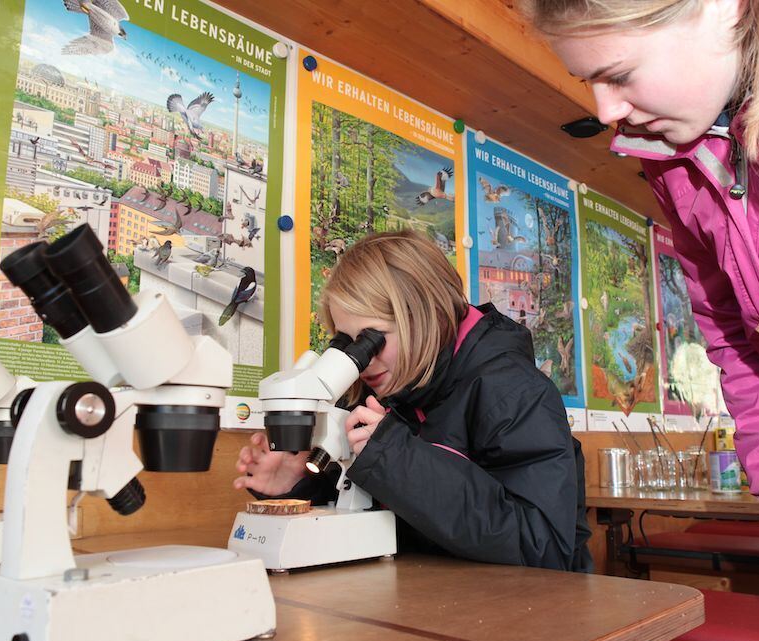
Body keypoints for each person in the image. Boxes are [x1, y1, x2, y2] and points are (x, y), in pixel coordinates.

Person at [525, 0, 759, 641]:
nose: (604, 108)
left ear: (724, 9)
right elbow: (739, 332)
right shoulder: (670, 158)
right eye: (588, 82)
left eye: (619, 73)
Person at [234, 230, 592, 571]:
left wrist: (398, 460)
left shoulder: (515, 394)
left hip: (527, 604)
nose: (363, 361)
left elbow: (543, 547)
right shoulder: (381, 390)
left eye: (372, 339)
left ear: (426, 319)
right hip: (421, 596)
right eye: (347, 342)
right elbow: (366, 513)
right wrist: (297, 485)